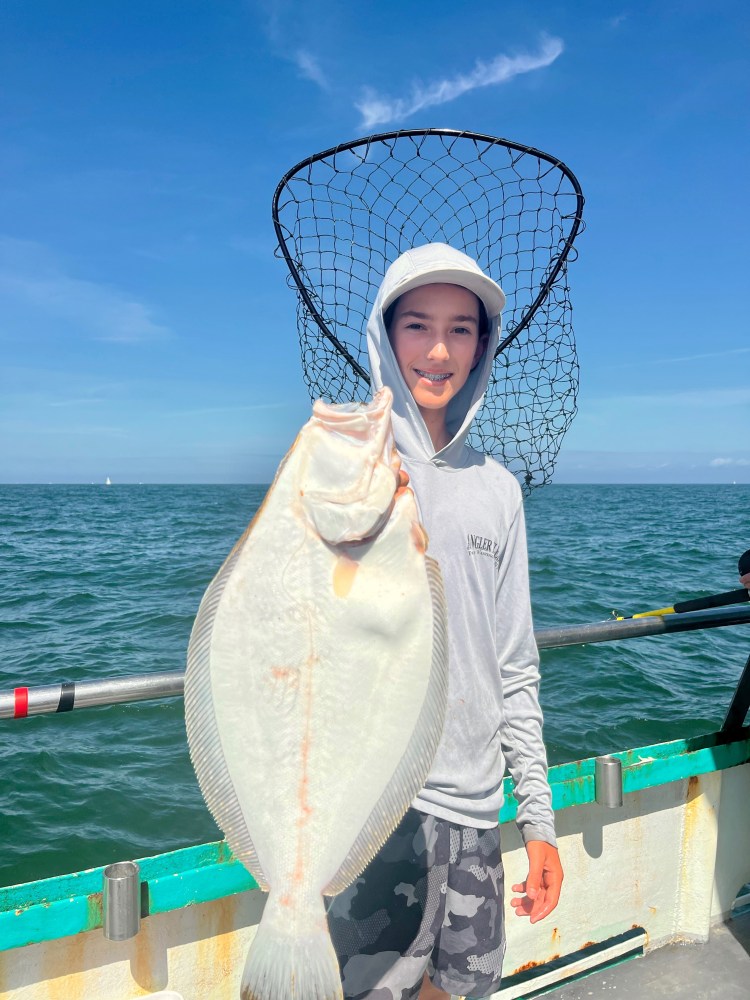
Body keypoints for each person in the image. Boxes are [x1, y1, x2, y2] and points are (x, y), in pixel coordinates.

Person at [327, 244, 562, 1000]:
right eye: (417, 325)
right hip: (376, 812)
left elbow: (515, 665)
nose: (437, 349)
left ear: (484, 346)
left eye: (462, 329)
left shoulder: (500, 491)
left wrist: (539, 822)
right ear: (384, 337)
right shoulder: (342, 467)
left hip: (477, 815)